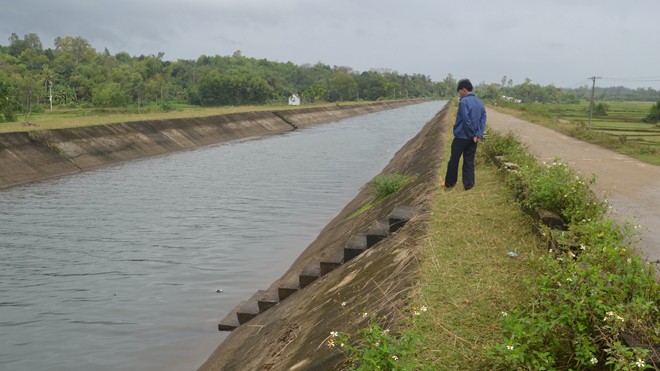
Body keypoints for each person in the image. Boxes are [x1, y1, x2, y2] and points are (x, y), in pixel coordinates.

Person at [443, 78, 487, 190]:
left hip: (462, 136)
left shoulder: (463, 102)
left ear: (463, 90)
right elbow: (483, 118)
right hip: (474, 138)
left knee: (454, 160)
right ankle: (469, 185)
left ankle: (449, 183)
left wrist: (472, 133)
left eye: (459, 92)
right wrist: (478, 134)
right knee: (469, 160)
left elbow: (466, 119)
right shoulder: (479, 102)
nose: (460, 94)